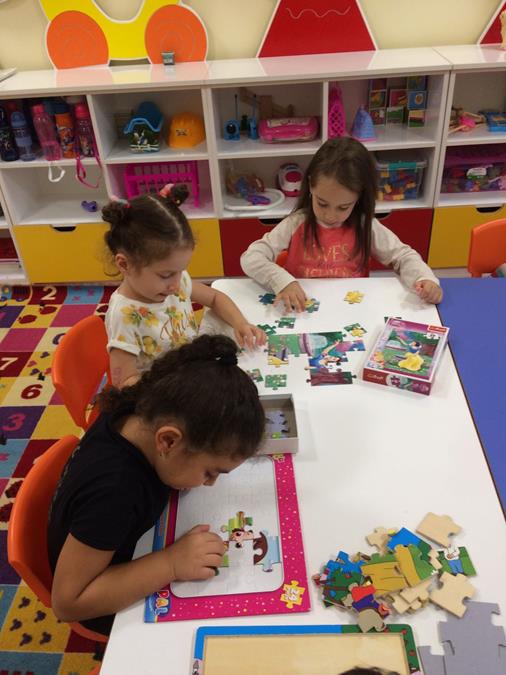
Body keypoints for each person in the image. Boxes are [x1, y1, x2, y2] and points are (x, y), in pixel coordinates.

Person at [48, 334, 265, 636]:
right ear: (168, 441)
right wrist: (172, 563)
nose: (210, 484)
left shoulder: (142, 405)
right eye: (209, 472)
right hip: (106, 600)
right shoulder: (114, 493)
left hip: (124, 546)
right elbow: (67, 604)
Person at [240, 138, 442, 312]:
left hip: (352, 311)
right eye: (322, 203)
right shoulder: (296, 223)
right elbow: (251, 257)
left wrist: (425, 279)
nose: (330, 215)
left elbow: (402, 256)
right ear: (310, 186)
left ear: (359, 196)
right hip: (301, 310)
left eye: (343, 207)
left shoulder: (365, 225)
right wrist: (283, 282)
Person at [103, 184, 265, 387]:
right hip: (164, 391)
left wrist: (240, 324)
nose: (176, 283)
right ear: (124, 264)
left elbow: (215, 298)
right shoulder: (123, 316)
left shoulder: (173, 283)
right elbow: (124, 383)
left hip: (191, 371)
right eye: (166, 274)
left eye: (181, 271)